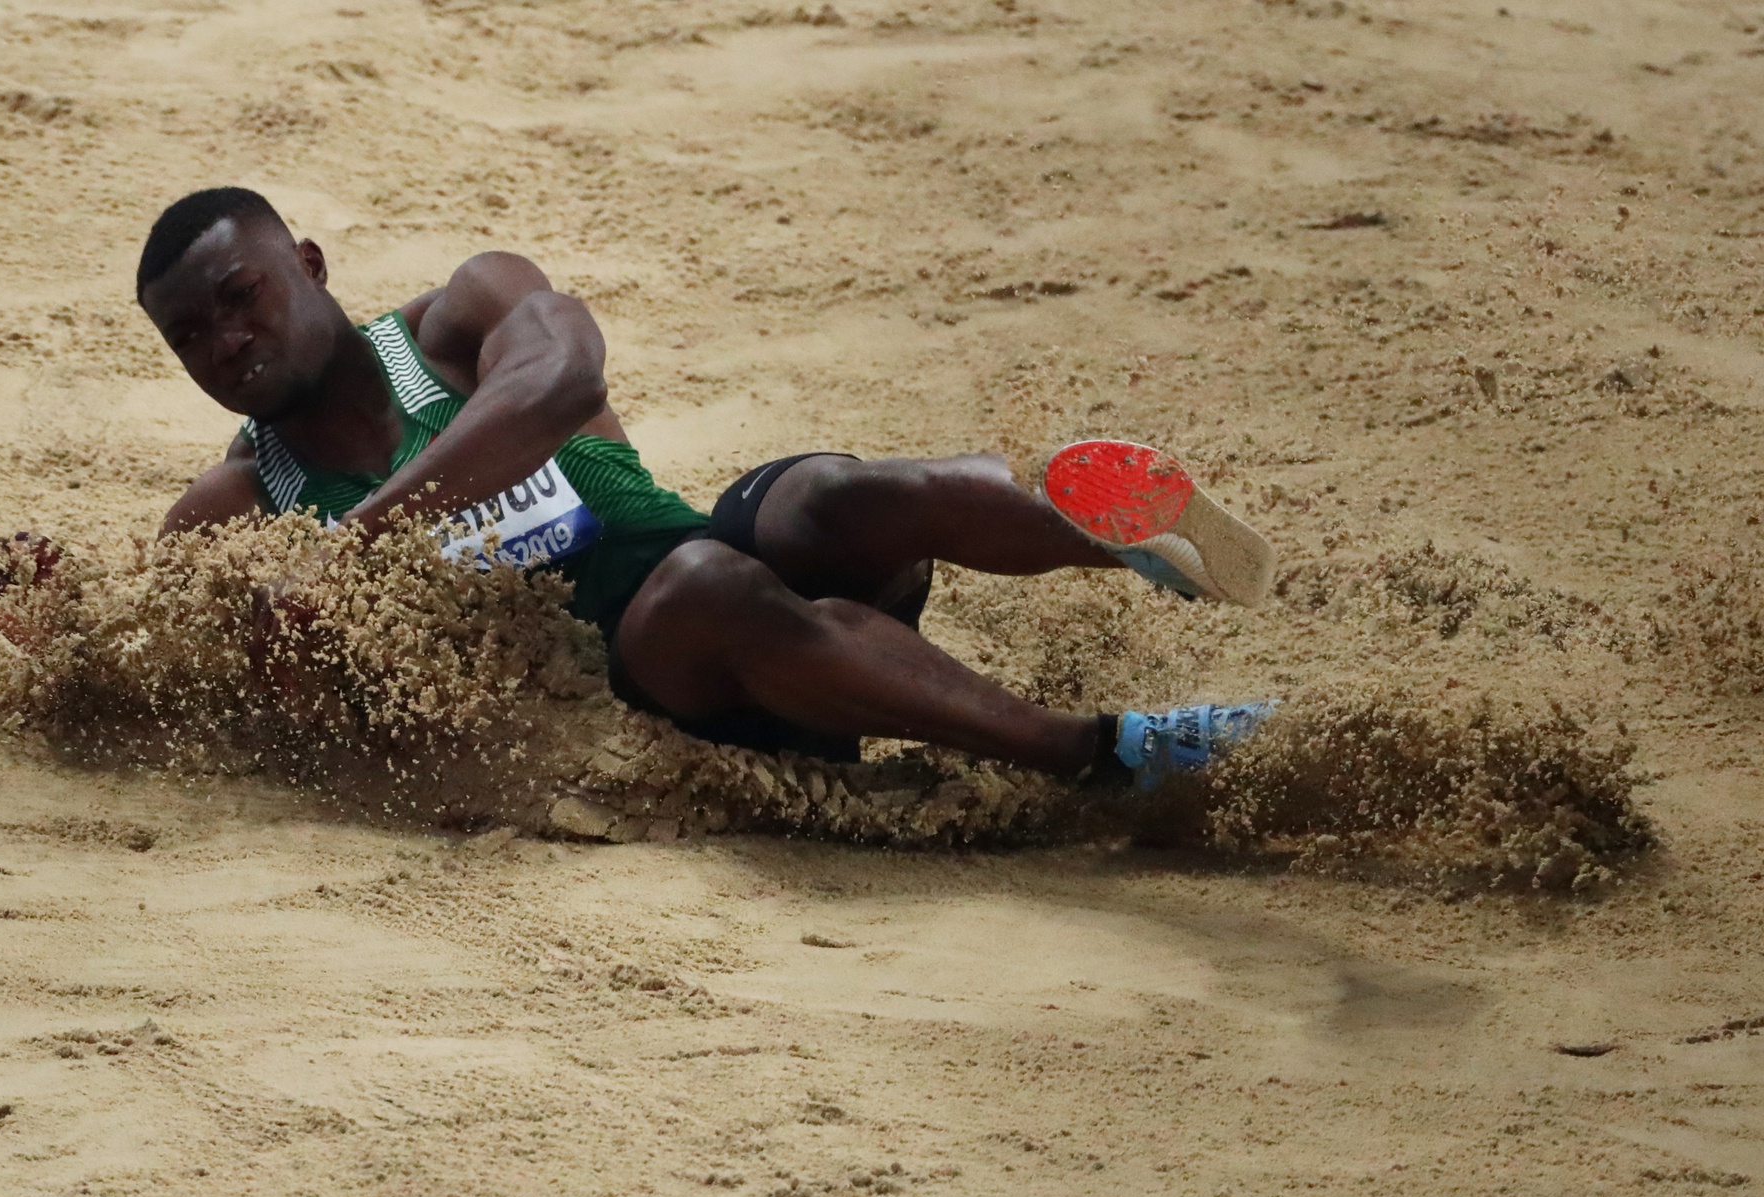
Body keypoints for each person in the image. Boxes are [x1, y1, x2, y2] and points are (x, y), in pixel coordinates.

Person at [112, 187, 1277, 786]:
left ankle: (1111, 528)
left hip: (729, 577)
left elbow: (564, 381)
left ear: (307, 267)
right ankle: (1103, 753)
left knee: (817, 494)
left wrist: (363, 538)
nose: (225, 342)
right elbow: (144, 665)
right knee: (705, 582)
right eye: (190, 336)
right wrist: (49, 616)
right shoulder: (238, 511)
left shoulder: (462, 315)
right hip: (662, 686)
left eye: (239, 296)